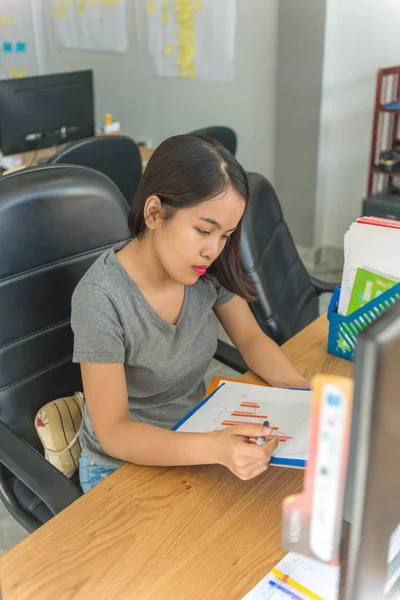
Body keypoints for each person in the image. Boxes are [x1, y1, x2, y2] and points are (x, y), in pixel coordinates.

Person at [71, 134, 308, 493]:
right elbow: (114, 431)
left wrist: (303, 393)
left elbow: (250, 338)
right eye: (203, 230)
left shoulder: (205, 271)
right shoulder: (101, 297)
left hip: (195, 437)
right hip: (122, 467)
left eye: (226, 235)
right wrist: (214, 446)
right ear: (154, 212)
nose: (213, 249)